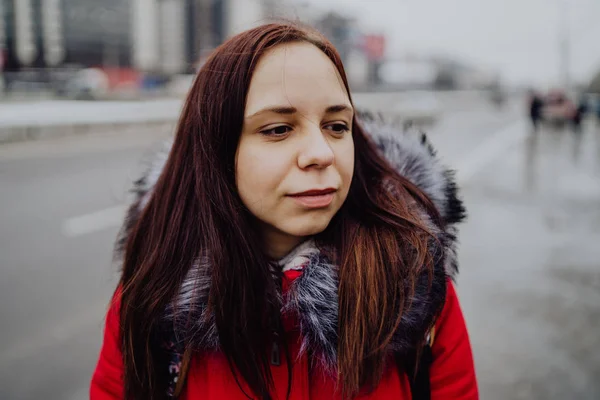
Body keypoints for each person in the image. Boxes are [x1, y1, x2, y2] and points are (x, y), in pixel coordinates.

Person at [90, 23, 478, 399]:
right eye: (278, 129)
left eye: (337, 126)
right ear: (216, 151)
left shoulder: (414, 282)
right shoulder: (154, 295)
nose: (322, 153)